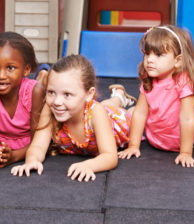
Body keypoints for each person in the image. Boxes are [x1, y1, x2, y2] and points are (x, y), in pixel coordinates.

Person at [11, 54, 136, 182]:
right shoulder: (50, 109)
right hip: (89, 109)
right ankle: (118, 96)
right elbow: (37, 146)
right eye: (51, 92)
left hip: (116, 120)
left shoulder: (96, 112)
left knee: (126, 114)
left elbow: (110, 156)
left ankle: (119, 98)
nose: (57, 101)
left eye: (67, 94)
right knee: (103, 105)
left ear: (89, 94)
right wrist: (32, 160)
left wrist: (88, 165)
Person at [118, 25, 194, 167]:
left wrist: (186, 153)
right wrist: (133, 145)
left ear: (177, 60)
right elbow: (140, 113)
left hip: (187, 139)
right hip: (156, 141)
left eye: (158, 55)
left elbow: (187, 118)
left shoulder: (184, 82)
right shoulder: (149, 78)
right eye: (147, 53)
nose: (150, 60)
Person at [0, 32, 46, 168]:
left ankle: (43, 74)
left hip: (28, 144)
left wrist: (14, 156)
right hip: (1, 141)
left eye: (10, 68)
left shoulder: (34, 93)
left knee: (45, 87)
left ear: (26, 70)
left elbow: (40, 142)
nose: (1, 75)